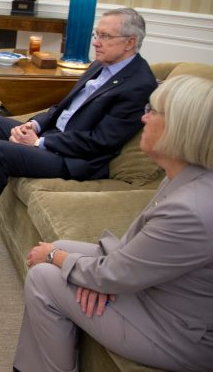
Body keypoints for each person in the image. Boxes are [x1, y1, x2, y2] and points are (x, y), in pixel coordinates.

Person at [14, 74, 213, 372]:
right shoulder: (186, 176)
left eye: (152, 111)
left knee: (45, 276)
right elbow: (134, 253)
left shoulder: (189, 210)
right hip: (156, 290)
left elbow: (118, 273)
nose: (143, 119)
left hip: (176, 332)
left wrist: (68, 265)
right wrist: (88, 273)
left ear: (179, 128)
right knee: (61, 247)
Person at [0, 8, 157, 259]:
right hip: (55, 134)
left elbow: (102, 141)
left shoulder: (139, 84)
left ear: (130, 42)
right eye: (96, 34)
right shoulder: (100, 64)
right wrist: (34, 125)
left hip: (78, 158)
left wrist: (41, 142)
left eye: (105, 36)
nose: (96, 42)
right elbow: (62, 107)